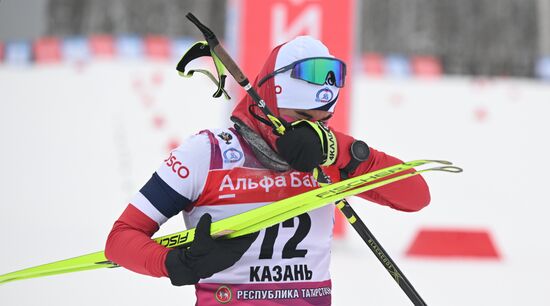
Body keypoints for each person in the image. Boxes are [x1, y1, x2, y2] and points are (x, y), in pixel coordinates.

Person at [105, 36, 430, 305]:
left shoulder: (327, 156)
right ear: (271, 103)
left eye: (321, 122)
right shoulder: (207, 155)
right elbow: (121, 239)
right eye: (300, 117)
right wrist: (175, 263)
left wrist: (340, 149)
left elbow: (415, 195)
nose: (310, 133)